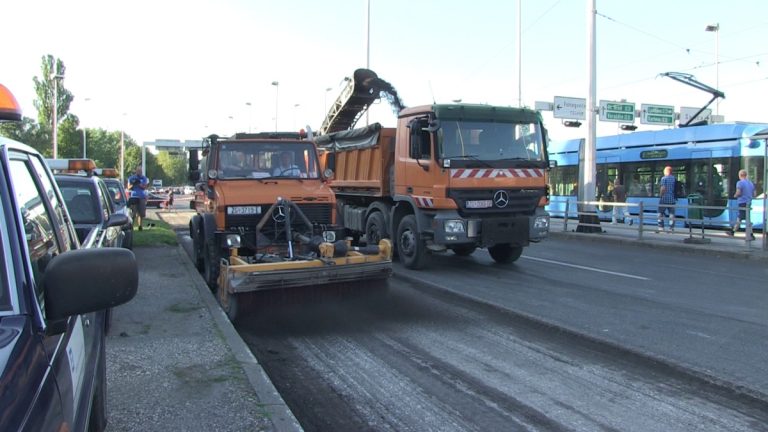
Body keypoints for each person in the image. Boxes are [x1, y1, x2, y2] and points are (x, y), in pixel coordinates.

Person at [727, 169, 756, 239]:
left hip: (742, 202)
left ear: (740, 175)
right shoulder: (750, 183)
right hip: (749, 202)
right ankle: (751, 234)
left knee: (740, 217)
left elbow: (738, 192)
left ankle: (733, 232)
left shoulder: (739, 183)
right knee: (746, 218)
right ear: (746, 175)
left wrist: (735, 195)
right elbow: (754, 194)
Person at [657, 165, 677, 233]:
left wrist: (660, 196)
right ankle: (671, 229)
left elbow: (663, 188)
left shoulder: (664, 178)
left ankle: (661, 228)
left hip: (664, 199)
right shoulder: (674, 178)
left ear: (666, 171)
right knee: (672, 215)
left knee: (660, 213)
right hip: (672, 199)